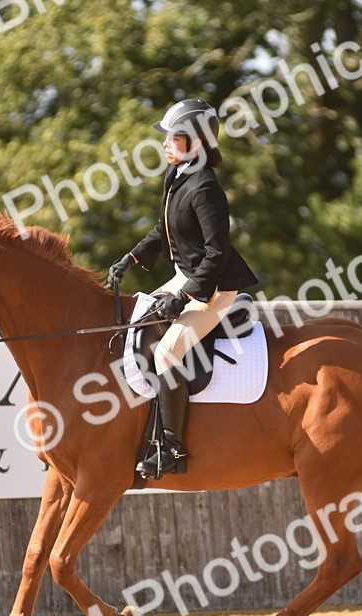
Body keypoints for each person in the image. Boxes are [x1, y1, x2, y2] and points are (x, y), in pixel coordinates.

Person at [108, 98, 259, 478]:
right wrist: (131, 257)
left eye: (173, 138)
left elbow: (217, 253)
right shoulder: (178, 178)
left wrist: (184, 298)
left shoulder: (206, 188)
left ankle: (171, 447)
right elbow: (164, 231)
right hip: (184, 273)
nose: (164, 144)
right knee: (139, 326)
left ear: (196, 143)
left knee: (166, 354)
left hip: (215, 285)